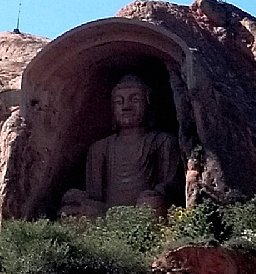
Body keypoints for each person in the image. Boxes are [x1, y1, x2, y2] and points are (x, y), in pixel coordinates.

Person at [61, 75, 181, 217]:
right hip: (107, 212)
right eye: (119, 102)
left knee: (152, 203)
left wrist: (157, 194)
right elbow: (94, 196)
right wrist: (80, 198)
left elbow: (171, 186)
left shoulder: (162, 141)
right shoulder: (100, 148)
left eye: (135, 100)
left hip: (144, 209)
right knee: (69, 210)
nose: (126, 107)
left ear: (149, 104)